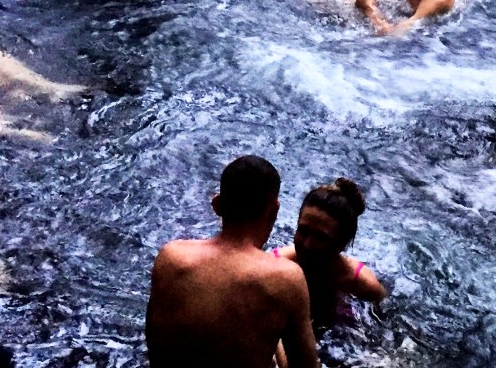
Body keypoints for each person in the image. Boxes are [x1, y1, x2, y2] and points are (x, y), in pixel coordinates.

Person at [145, 155, 319, 368]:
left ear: (217, 205)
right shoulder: (286, 278)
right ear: (274, 210)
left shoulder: (171, 258)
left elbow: (155, 345)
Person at [271, 178, 385, 333]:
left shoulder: (361, 285)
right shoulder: (275, 264)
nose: (307, 244)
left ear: (343, 243)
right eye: (303, 231)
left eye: (321, 238)